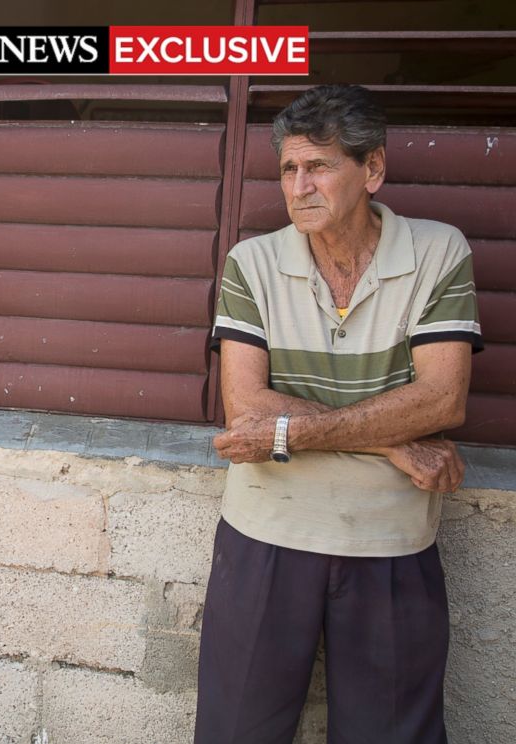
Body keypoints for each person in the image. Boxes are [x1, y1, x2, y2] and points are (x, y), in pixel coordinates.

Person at [196, 84, 482, 743]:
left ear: (373, 169)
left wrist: (289, 431)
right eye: (289, 169)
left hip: (391, 543)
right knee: (235, 731)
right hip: (265, 536)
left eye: (319, 166)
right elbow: (245, 407)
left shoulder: (438, 252)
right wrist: (390, 443)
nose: (300, 186)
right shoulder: (254, 263)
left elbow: (443, 399)